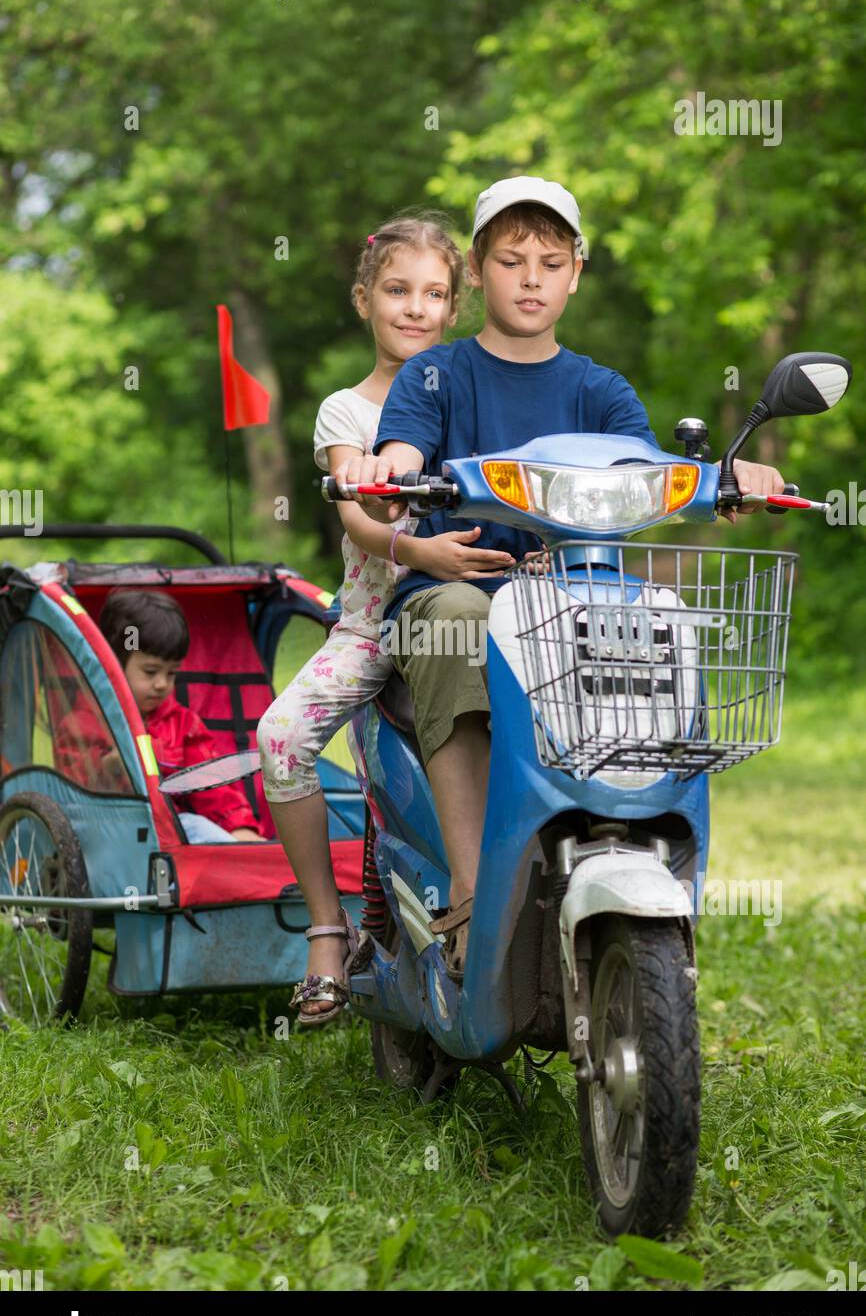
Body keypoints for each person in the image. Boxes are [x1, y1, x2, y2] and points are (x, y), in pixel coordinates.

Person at [335, 175, 786, 981]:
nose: (532, 277)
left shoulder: (600, 390)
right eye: (512, 260)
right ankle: (474, 894)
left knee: (656, 614)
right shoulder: (436, 377)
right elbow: (402, 445)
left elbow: (647, 472)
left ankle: (645, 854)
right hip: (462, 584)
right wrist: (392, 465)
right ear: (477, 270)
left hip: (567, 591)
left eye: (551, 260)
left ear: (576, 272)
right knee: (458, 617)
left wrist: (726, 477)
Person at [257, 213, 502, 1025]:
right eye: (397, 291)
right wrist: (418, 551)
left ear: (455, 310)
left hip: (473, 614)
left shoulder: (473, 389)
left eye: (434, 294)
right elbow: (359, 524)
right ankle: (327, 929)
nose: (414, 308)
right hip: (374, 621)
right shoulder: (346, 411)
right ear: (365, 300)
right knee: (281, 738)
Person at [96, 589, 266, 842]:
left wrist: (239, 828)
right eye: (151, 671)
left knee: (193, 826)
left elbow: (213, 787)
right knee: (192, 826)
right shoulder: (88, 718)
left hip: (170, 837)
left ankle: (242, 853)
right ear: (114, 665)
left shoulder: (183, 724)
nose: (162, 684)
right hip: (108, 831)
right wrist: (109, 767)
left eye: (172, 673)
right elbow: (71, 786)